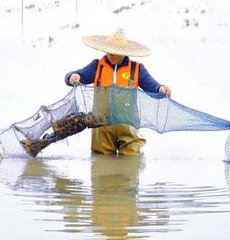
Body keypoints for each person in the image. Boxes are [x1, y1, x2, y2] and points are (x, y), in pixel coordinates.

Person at [65, 28, 171, 156]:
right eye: (109, 50)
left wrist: (161, 89)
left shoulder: (137, 69)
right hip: (101, 125)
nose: (111, 54)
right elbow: (77, 76)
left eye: (115, 51)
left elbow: (152, 86)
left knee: (131, 159)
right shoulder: (97, 66)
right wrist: (72, 77)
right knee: (101, 162)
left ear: (124, 52)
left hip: (127, 124)